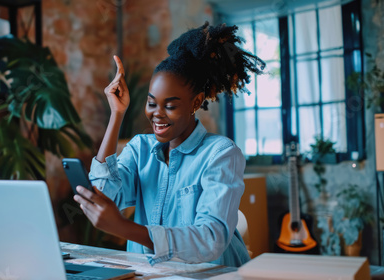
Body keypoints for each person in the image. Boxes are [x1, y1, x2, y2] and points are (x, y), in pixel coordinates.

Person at [73, 22, 265, 267]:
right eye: (152, 103)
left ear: (195, 102)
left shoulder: (221, 154)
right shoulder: (139, 149)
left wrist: (124, 228)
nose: (157, 114)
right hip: (151, 273)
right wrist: (116, 114)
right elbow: (103, 194)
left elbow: (211, 240)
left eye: (170, 106)